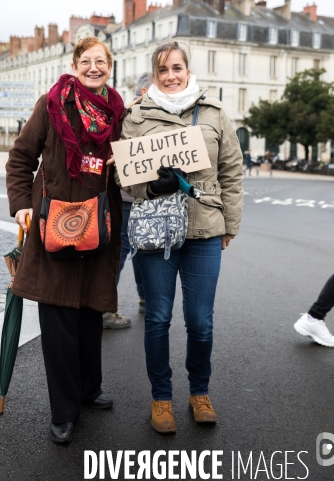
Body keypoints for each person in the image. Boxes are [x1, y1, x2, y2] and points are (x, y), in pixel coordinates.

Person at [117, 41, 244, 433]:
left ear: (188, 70)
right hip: (157, 231)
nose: (170, 76)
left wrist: (230, 225)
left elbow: (232, 172)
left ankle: (200, 392)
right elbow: (125, 178)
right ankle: (161, 399)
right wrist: (153, 188)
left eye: (176, 68)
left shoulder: (215, 112)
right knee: (157, 318)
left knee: (200, 322)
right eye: (162, 71)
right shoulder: (136, 116)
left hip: (205, 229)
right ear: (153, 76)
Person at [6, 36, 124, 444]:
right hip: (52, 223)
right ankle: (64, 410)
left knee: (91, 312)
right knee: (58, 319)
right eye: (86, 61)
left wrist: (121, 160)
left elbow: (133, 169)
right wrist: (21, 204)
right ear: (74, 64)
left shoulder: (119, 112)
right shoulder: (52, 103)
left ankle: (89, 390)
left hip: (100, 222)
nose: (94, 67)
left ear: (110, 66)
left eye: (101, 62)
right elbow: (21, 157)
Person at [116, 73, 153, 317]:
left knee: (140, 249)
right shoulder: (129, 115)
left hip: (141, 197)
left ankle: (145, 298)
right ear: (144, 93)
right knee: (124, 250)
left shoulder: (126, 113)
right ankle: (106, 306)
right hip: (128, 197)